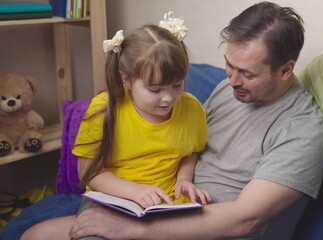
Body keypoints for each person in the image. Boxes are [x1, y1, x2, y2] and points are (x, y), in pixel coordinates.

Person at [22, 2, 323, 239]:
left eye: (247, 73)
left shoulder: (303, 129)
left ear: (286, 70)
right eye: (229, 65)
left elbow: (244, 219)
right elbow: (184, 145)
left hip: (206, 230)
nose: (232, 79)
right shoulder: (231, 90)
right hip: (161, 209)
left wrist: (133, 229)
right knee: (33, 235)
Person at [21, 14, 211, 240]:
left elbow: (190, 152)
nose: (168, 98)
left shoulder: (191, 108)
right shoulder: (104, 109)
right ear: (126, 80)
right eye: (155, 89)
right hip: (113, 200)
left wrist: (184, 180)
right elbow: (89, 172)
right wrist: (135, 191)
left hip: (165, 205)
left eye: (176, 85)